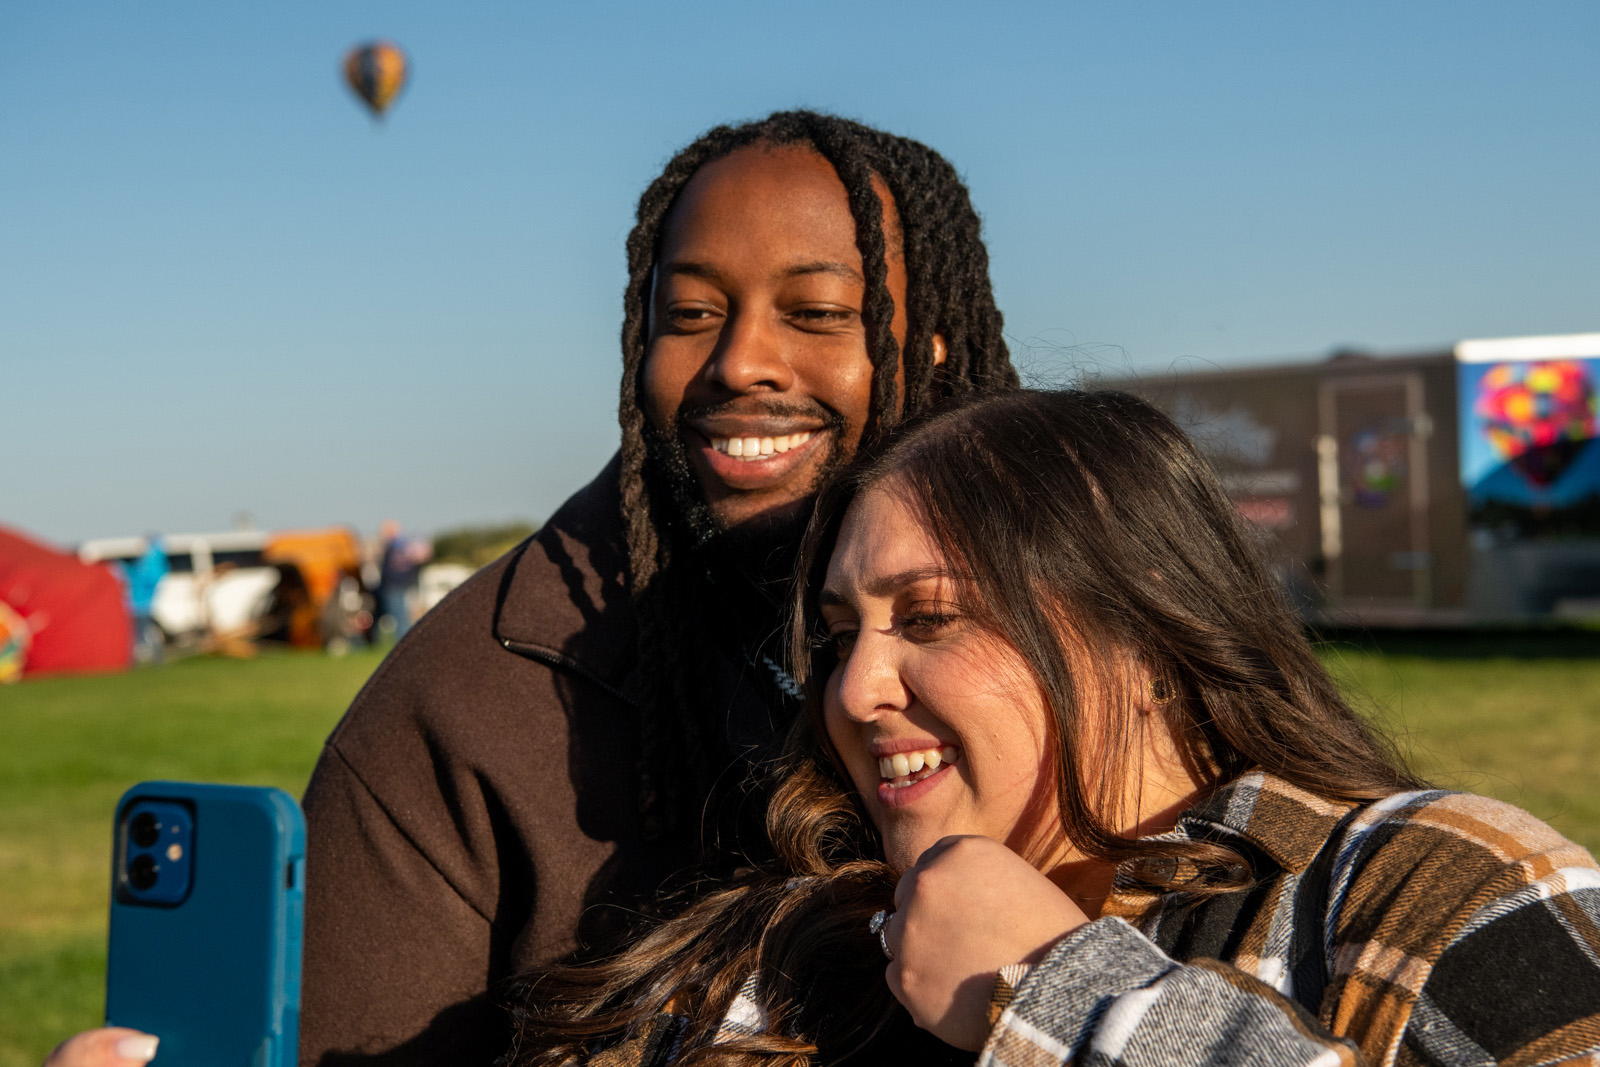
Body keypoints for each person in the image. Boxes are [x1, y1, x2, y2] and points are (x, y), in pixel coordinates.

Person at [502, 389, 1600, 1066]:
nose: (853, 686)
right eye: (838, 633)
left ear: (1144, 637)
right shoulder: (782, 959)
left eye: (929, 618)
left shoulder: (1435, 892)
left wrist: (1067, 995)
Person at [297, 111, 1017, 1065]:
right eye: (690, 315)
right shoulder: (464, 703)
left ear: (931, 346)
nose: (739, 361)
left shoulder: (1089, 634)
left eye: (816, 312)